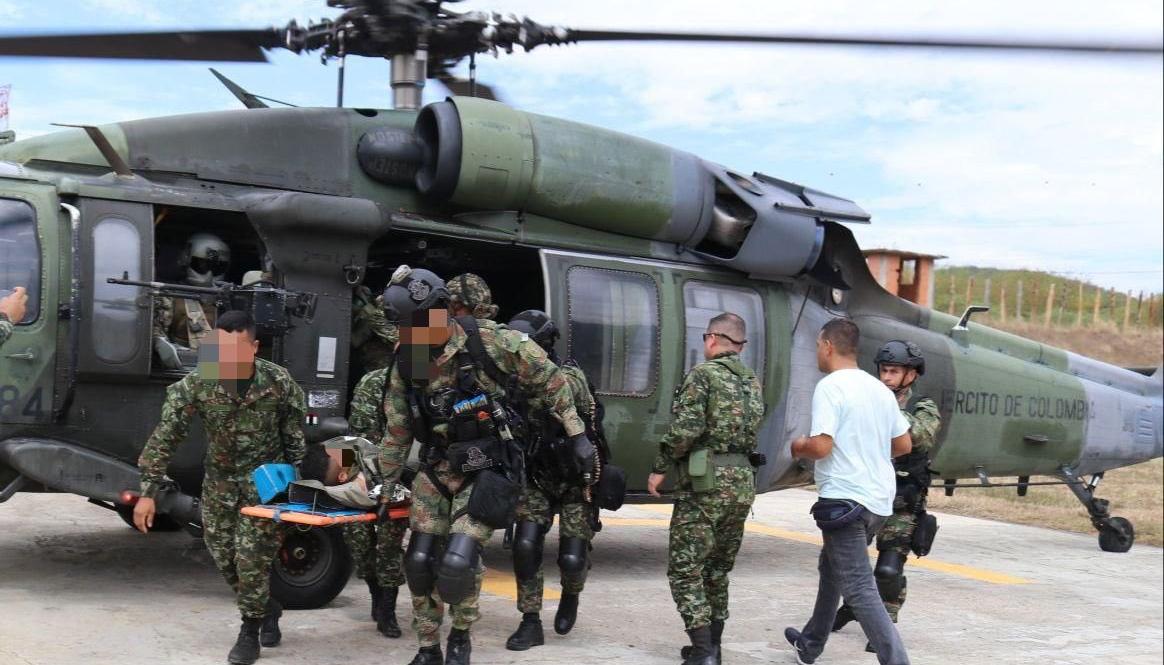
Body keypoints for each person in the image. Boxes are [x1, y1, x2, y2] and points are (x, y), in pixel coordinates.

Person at [375, 266, 593, 665]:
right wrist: (384, 486)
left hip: (486, 467)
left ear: (440, 311)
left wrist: (578, 435)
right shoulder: (409, 358)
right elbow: (398, 428)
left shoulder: (492, 343)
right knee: (419, 561)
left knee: (458, 560)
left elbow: (552, 380)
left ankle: (460, 638)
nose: (408, 335)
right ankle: (428, 649)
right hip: (437, 467)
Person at [133, 310, 307, 665]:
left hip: (265, 485)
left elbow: (293, 437)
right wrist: (148, 490)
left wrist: (297, 489)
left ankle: (249, 630)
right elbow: (167, 434)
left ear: (254, 347)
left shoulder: (279, 382)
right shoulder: (201, 382)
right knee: (224, 557)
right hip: (221, 483)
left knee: (250, 559)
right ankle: (268, 607)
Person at [784, 319, 913, 665]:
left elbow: (821, 447)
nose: (816, 352)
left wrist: (798, 446)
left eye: (816, 346)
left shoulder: (831, 386)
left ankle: (896, 660)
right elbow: (903, 443)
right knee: (832, 568)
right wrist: (866, 446)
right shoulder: (879, 390)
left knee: (858, 587)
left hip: (845, 501)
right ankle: (810, 644)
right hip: (877, 503)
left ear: (827, 345)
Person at [646, 312, 765, 665]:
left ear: (712, 339)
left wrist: (660, 466)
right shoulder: (751, 381)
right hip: (742, 485)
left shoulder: (703, 376)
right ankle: (713, 645)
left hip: (706, 484)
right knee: (717, 569)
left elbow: (686, 429)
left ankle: (702, 653)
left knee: (685, 568)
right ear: (739, 345)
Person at [833, 340, 941, 651]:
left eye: (893, 372)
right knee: (844, 561)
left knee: (888, 569)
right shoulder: (867, 399)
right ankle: (854, 606)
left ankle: (886, 618)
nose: (886, 377)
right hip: (864, 494)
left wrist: (885, 408)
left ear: (911, 375)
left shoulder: (922, 406)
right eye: (883, 371)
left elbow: (920, 436)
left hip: (902, 501)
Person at [504, 309, 600, 651]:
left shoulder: (569, 377)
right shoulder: (513, 381)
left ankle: (571, 595)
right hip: (537, 476)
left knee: (572, 559)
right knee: (526, 545)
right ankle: (530, 622)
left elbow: (562, 392)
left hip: (575, 478)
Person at [347, 351, 410, 639]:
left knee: (389, 543)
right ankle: (375, 591)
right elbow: (361, 438)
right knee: (360, 541)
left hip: (406, 475)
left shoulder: (423, 385)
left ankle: (388, 608)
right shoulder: (372, 384)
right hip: (369, 470)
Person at [153, 232, 231, 369]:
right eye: (202, 265)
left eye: (217, 267)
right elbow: (154, 328)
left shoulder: (230, 299)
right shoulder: (170, 295)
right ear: (186, 260)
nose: (209, 274)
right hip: (181, 368)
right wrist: (159, 342)